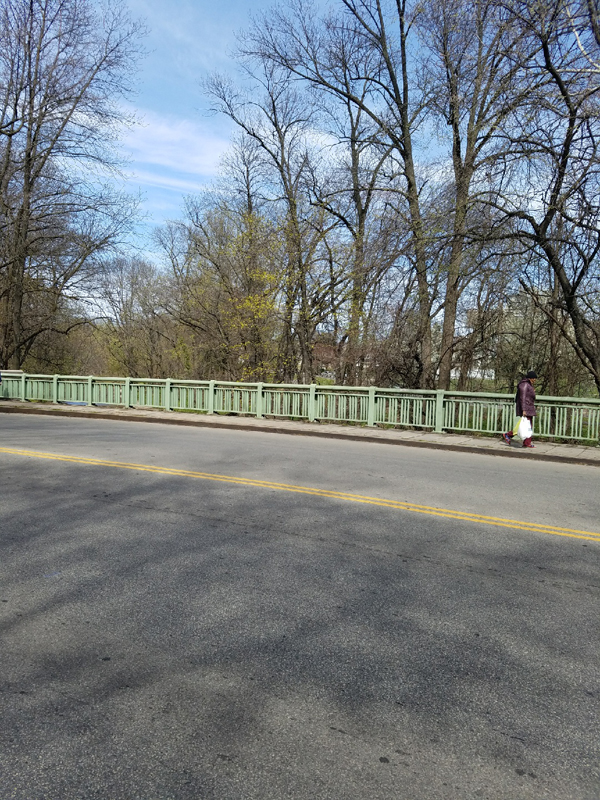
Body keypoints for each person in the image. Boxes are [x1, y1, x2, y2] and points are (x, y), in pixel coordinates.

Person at [503, 370, 538, 448]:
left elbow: (528, 395)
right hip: (526, 408)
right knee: (525, 425)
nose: (535, 380)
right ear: (530, 378)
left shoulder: (527, 384)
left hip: (529, 407)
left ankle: (527, 442)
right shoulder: (524, 385)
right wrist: (524, 409)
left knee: (528, 426)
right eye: (534, 378)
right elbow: (523, 397)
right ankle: (508, 434)